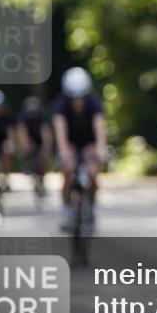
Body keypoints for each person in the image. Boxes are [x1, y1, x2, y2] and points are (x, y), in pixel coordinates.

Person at [53, 68, 107, 231]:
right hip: (70, 142)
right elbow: (60, 128)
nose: (78, 101)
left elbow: (99, 126)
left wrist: (100, 147)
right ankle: (67, 211)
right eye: (73, 97)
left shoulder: (94, 102)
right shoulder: (61, 104)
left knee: (92, 174)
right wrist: (63, 149)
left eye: (81, 97)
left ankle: (91, 210)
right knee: (68, 174)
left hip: (88, 142)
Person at [17, 96, 53, 196]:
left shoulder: (42, 116)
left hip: (39, 139)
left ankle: (42, 178)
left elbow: (46, 132)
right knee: (25, 147)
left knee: (44, 157)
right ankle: (27, 164)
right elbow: (21, 131)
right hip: (29, 138)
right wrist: (25, 145)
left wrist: (46, 147)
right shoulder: (22, 116)